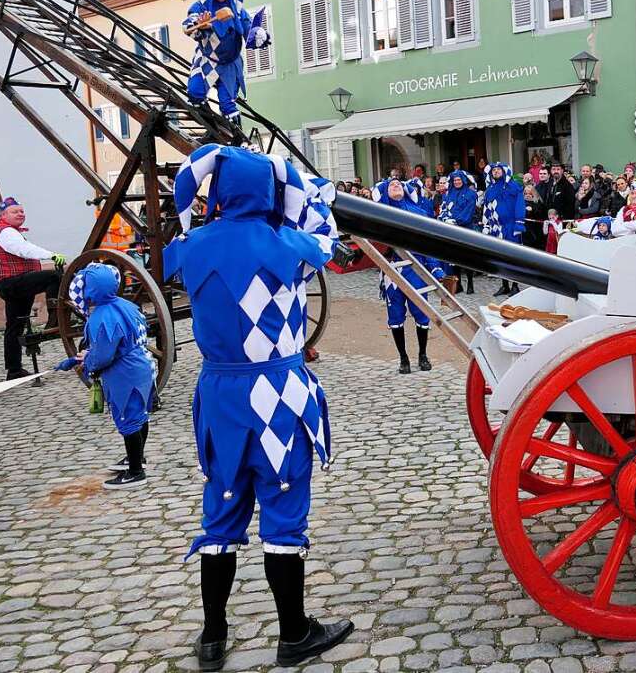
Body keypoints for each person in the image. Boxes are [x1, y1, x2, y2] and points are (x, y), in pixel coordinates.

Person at [164, 144, 353, 670]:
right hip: (277, 391)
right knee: (283, 509)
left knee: (221, 509)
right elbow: (325, 232)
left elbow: (180, 249)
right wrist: (309, 188)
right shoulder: (287, 245)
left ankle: (212, 636)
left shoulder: (190, 246)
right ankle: (293, 633)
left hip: (220, 394)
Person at [56, 263, 155, 489]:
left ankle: (136, 472)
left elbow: (104, 355)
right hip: (141, 366)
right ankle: (136, 458)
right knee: (140, 414)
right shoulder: (126, 305)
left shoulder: (102, 316)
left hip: (124, 373)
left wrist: (87, 362)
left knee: (128, 419)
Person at [0, 196, 67, 379]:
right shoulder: (4, 232)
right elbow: (23, 249)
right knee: (54, 276)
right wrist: (51, 255)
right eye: (15, 211)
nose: (20, 213)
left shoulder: (8, 231)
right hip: (13, 282)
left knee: (14, 326)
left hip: (12, 283)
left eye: (22, 211)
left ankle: (14, 370)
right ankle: (56, 316)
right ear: (3, 215)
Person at [373, 178, 446, 371]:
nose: (395, 185)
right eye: (391, 185)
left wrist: (435, 267)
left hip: (416, 270)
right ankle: (403, 358)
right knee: (395, 315)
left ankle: (423, 355)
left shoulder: (419, 213)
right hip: (392, 272)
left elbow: (427, 244)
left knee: (421, 313)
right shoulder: (378, 215)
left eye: (398, 183)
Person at [183, 0, 270, 125]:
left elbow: (249, 29)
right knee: (195, 94)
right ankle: (212, 129)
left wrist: (258, 35)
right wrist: (199, 25)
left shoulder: (238, 11)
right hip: (206, 60)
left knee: (228, 106)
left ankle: (237, 138)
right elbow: (190, 23)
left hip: (230, 64)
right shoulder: (200, 7)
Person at [483, 162, 525, 295]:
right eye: (494, 170)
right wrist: (487, 225)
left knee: (513, 257)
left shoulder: (514, 186)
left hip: (511, 227)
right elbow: (487, 208)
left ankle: (515, 285)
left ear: (504, 171)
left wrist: (519, 222)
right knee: (500, 258)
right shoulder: (490, 189)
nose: (496, 172)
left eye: (498, 170)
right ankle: (504, 285)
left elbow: (520, 205)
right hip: (497, 228)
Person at [438, 170, 478, 294]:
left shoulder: (471, 194)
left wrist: (456, 220)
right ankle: (458, 284)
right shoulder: (449, 193)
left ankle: (470, 284)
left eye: (459, 180)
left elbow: (469, 211)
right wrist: (445, 219)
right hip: (452, 229)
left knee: (468, 258)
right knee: (454, 258)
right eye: (455, 180)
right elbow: (444, 208)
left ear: (463, 180)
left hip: (465, 229)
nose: (457, 182)